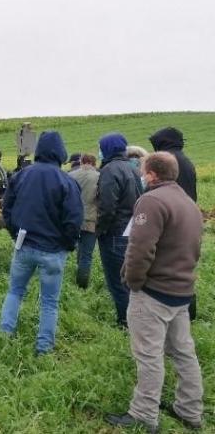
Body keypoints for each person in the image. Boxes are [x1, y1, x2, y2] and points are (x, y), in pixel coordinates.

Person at [106, 152, 205, 433]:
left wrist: (134, 282)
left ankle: (144, 414)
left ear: (151, 175)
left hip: (154, 292)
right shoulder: (187, 203)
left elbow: (139, 250)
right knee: (184, 353)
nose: (140, 173)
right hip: (181, 290)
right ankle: (190, 410)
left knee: (149, 355)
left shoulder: (151, 201)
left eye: (142, 170)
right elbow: (195, 248)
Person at [0, 131, 83, 355]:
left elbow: (6, 209)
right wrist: (68, 244)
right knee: (49, 302)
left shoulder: (21, 176)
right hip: (53, 251)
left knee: (15, 291)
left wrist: (15, 233)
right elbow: (74, 220)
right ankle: (44, 348)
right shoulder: (67, 181)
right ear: (60, 153)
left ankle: (3, 336)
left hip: (24, 245)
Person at [149, 127, 199, 321]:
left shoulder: (166, 162)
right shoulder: (185, 160)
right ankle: (188, 312)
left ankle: (172, 312)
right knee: (185, 268)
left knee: (166, 269)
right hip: (187, 220)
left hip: (169, 222)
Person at [96, 133, 143, 328]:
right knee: (130, 278)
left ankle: (124, 322)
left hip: (114, 232)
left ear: (107, 149)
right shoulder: (131, 169)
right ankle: (136, 317)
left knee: (117, 281)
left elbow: (107, 207)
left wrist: (100, 230)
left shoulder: (109, 170)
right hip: (131, 230)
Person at [68, 154, 99, 288]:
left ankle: (75, 276)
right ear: (94, 163)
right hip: (91, 220)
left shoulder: (71, 175)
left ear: (81, 162)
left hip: (73, 218)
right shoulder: (99, 177)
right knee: (86, 255)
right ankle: (82, 286)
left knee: (76, 248)